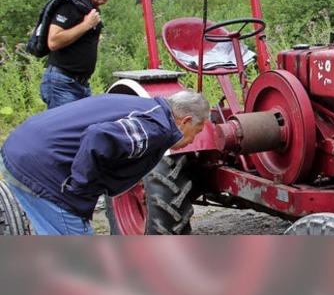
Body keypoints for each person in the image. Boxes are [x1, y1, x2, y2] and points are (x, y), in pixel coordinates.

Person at [0, 90, 209, 235]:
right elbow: (98, 136)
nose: (192, 141)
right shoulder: (156, 128)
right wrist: (79, 189)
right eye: (196, 132)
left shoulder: (146, 107)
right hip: (40, 169)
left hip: (19, 151)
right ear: (186, 121)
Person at [40, 0, 116, 109]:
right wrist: (86, 25)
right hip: (62, 82)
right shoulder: (70, 4)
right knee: (65, 128)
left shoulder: (91, 7)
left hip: (81, 84)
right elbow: (53, 41)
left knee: (81, 126)